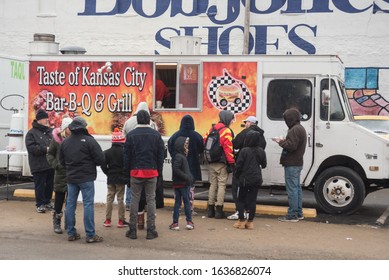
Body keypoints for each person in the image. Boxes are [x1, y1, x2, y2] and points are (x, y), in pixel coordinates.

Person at [59, 116, 105, 243]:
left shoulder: (65, 142)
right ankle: (90, 234)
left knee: (70, 204)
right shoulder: (90, 141)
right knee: (88, 204)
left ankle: (71, 233)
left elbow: (61, 162)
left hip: (71, 178)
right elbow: (100, 159)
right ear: (83, 128)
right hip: (86, 177)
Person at [124, 110, 165, 240]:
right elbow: (160, 156)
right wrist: (158, 172)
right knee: (150, 200)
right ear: (148, 120)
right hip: (152, 172)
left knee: (135, 200)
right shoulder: (156, 135)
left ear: (137, 120)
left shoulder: (131, 135)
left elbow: (126, 158)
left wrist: (127, 174)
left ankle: (132, 230)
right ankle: (151, 230)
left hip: (135, 172)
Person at [228, 116, 266, 220]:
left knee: (238, 192)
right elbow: (264, 162)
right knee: (252, 196)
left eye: (246, 122)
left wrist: (236, 171)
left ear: (249, 123)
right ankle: (249, 215)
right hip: (256, 173)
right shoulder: (261, 135)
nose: (245, 124)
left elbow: (234, 144)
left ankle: (240, 213)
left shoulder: (245, 134)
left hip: (244, 172)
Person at [273, 108, 307, 222]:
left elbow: (291, 146)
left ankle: (292, 214)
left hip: (292, 163)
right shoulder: (300, 128)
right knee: (297, 188)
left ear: (290, 119)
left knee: (292, 189)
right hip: (297, 162)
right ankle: (298, 213)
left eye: (286, 119)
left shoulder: (294, 130)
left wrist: (280, 141)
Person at [167, 115, 204, 215]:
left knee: (178, 187)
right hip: (192, 165)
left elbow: (170, 148)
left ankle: (177, 208)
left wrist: (175, 157)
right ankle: (190, 208)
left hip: (178, 166)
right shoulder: (197, 136)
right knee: (190, 188)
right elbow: (201, 149)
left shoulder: (175, 135)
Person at [204, 110, 235, 219]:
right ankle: (219, 210)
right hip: (221, 163)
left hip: (211, 161)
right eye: (231, 119)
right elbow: (228, 148)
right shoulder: (226, 131)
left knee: (213, 184)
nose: (232, 121)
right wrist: (231, 162)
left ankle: (210, 209)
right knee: (221, 185)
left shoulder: (211, 129)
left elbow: (204, 141)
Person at [233, 130, 267, 229]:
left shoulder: (244, 151)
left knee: (240, 199)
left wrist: (237, 174)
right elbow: (264, 165)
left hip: (244, 178)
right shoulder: (261, 151)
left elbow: (239, 165)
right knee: (252, 200)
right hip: (256, 178)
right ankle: (250, 222)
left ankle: (241, 221)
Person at [25, 109, 55, 213]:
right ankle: (40, 204)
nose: (47, 120)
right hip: (38, 164)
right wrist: (45, 149)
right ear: (39, 120)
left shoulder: (50, 131)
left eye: (47, 118)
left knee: (50, 185)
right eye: (44, 118)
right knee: (40, 185)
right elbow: (32, 148)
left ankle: (47, 202)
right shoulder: (31, 133)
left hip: (50, 164)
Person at [46, 115, 73, 233]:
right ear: (64, 128)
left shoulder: (74, 139)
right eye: (69, 128)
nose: (71, 130)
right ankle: (56, 221)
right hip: (60, 174)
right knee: (59, 200)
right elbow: (50, 154)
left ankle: (70, 223)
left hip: (72, 174)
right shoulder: (56, 140)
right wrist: (56, 164)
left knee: (71, 201)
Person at [101, 128, 129, 228]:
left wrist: (108, 173)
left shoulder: (107, 152)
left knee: (109, 198)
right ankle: (121, 221)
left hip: (111, 177)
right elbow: (127, 166)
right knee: (120, 198)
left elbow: (103, 165)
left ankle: (107, 220)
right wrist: (125, 175)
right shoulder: (125, 152)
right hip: (121, 178)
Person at [169, 137, 195, 230]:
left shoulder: (178, 156)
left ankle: (175, 223)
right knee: (186, 202)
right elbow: (176, 169)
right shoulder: (180, 157)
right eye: (186, 145)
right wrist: (187, 177)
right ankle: (189, 221)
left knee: (178, 203)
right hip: (183, 184)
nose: (187, 147)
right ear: (181, 146)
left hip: (178, 183)